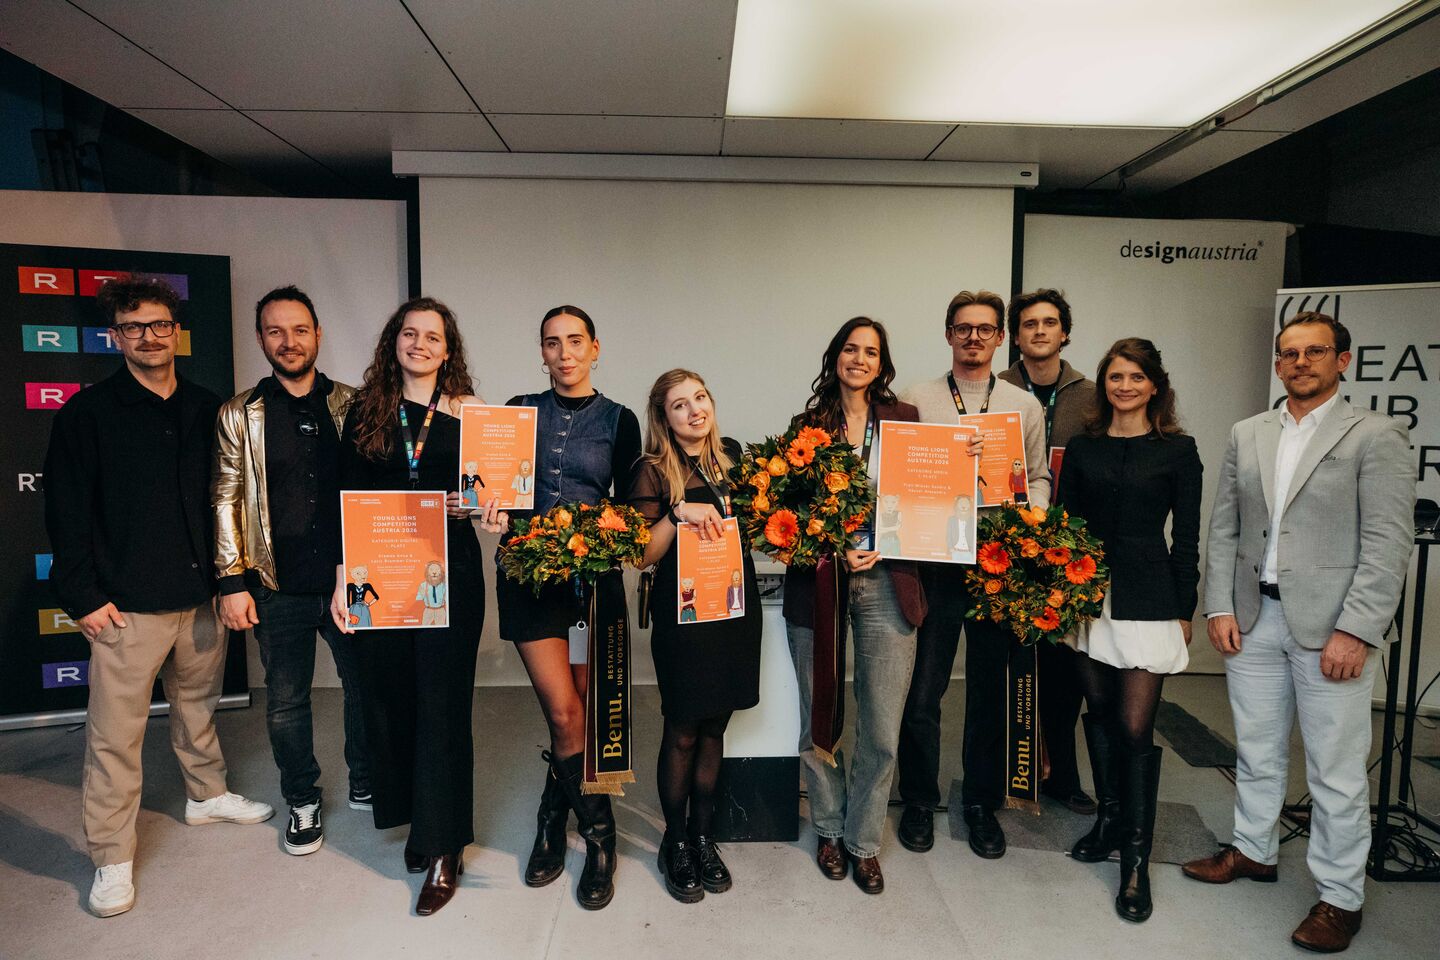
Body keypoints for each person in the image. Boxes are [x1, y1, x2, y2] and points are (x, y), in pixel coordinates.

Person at [1183, 312, 1414, 953]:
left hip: (1332, 628)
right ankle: (1253, 850)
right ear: (1278, 363)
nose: (1300, 362)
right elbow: (1224, 527)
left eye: (1315, 351)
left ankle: (1340, 898)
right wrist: (1219, 606)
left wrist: (1357, 630)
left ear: (1343, 360)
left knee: (1334, 770)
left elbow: (1387, 545)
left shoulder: (1376, 435)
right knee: (1257, 750)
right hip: (1254, 616)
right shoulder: (1249, 432)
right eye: (1289, 353)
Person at [44, 277, 273, 919]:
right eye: (134, 327)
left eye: (160, 325)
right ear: (114, 337)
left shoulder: (208, 409)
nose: (149, 337)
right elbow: (65, 513)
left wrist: (230, 582)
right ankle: (111, 856)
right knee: (114, 739)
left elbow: (228, 504)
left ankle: (206, 795)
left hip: (201, 599)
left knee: (197, 709)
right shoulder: (86, 414)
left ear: (177, 332)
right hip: (124, 608)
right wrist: (83, 597)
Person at [328, 296, 498, 917]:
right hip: (380, 571)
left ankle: (445, 847)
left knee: (443, 706)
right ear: (393, 342)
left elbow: (493, 496)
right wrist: (343, 577)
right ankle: (419, 824)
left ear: (448, 350)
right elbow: (344, 494)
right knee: (392, 697)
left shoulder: (471, 413)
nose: (420, 344)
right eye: (410, 333)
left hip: (448, 571)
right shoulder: (366, 410)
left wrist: (479, 507)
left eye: (433, 336)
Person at [492, 305, 641, 911]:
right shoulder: (517, 411)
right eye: (552, 343)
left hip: (590, 587)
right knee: (563, 712)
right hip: (528, 579)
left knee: (584, 714)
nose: (565, 353)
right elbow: (492, 486)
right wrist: (490, 509)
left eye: (575, 341)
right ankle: (601, 840)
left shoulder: (620, 419)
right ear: (542, 352)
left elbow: (632, 507)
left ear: (595, 348)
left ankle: (553, 818)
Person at [212, 285, 370, 858]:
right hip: (276, 587)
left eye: (300, 330)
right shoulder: (240, 413)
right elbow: (226, 497)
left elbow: (378, 488)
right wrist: (232, 580)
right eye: (275, 331)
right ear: (260, 339)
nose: (289, 341)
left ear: (318, 334)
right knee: (285, 702)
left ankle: (366, 777)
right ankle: (302, 798)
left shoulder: (355, 405)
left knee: (365, 687)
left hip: (352, 581)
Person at [1053, 338, 1201, 922]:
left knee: (1135, 728)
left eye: (1136, 377)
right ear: (1103, 384)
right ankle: (1110, 822)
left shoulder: (1178, 450)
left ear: (1155, 385)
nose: (1125, 386)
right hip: (1087, 598)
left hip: (1149, 598)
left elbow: (1186, 538)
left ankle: (1135, 862)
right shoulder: (1084, 447)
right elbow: (1064, 526)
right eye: (1115, 376)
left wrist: (1185, 608)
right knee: (1098, 711)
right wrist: (1058, 597)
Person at [896, 290, 1048, 859]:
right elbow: (898, 472)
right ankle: (918, 798)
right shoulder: (917, 398)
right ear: (948, 335)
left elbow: (1038, 477)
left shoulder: (1022, 406)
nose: (974, 338)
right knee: (923, 689)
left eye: (985, 329)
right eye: (963, 328)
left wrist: (1032, 512)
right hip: (935, 561)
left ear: (1000, 337)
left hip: (996, 565)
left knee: (989, 691)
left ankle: (980, 803)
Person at [784, 317, 927, 894]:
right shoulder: (806, 427)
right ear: (835, 356)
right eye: (850, 348)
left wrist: (964, 458)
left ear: (882, 363)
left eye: (871, 351)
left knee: (883, 725)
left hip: (890, 582)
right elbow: (787, 508)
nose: (859, 359)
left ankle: (863, 840)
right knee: (818, 713)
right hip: (820, 581)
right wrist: (832, 544)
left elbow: (927, 498)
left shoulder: (907, 421)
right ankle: (827, 827)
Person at [628, 368, 762, 903]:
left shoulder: (732, 456)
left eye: (700, 397)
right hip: (684, 618)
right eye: (679, 404)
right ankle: (676, 841)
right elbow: (641, 555)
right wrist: (677, 513)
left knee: (715, 727)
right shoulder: (650, 470)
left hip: (732, 609)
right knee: (684, 729)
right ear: (664, 417)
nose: (694, 410)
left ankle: (704, 838)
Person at [998, 288, 1098, 815]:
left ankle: (1062, 774)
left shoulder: (1093, 396)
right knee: (1009, 668)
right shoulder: (996, 390)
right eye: (1029, 324)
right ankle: (1009, 773)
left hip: (1069, 552)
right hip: (1006, 551)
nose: (1040, 331)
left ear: (1065, 333)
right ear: (1015, 336)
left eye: (1050, 322)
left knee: (1065, 671)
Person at [416, 561, 447, 626]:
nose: (434, 572)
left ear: (440, 572)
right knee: (424, 627)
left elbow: (447, 599)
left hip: (440, 610)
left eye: (437, 569)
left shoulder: (444, 585)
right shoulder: (423, 585)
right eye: (431, 569)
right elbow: (419, 598)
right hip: (428, 610)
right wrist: (422, 593)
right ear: (428, 572)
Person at [947, 495, 974, 561]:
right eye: (961, 503)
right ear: (956, 506)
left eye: (966, 503)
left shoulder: (973, 520)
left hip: (969, 552)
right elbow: (948, 535)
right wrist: (950, 548)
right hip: (956, 552)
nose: (963, 506)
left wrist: (973, 550)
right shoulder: (951, 520)